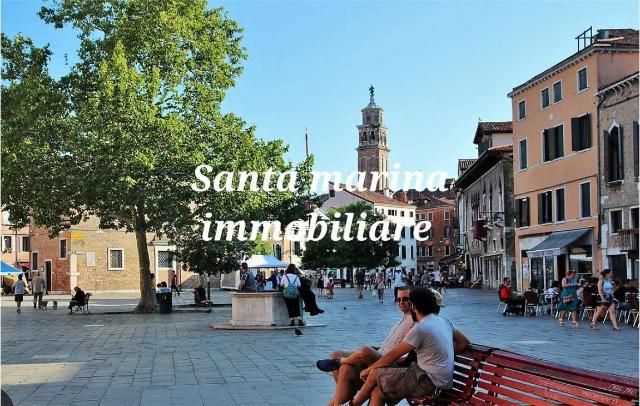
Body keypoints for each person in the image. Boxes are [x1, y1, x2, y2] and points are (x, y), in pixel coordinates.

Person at [351, 287, 470, 406]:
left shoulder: (420, 328)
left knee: (374, 374)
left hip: (429, 381)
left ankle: (353, 404)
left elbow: (393, 355)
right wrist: (442, 356)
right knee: (378, 392)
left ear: (413, 306)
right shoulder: (443, 322)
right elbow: (464, 342)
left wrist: (367, 370)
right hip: (438, 380)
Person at [316, 286, 415, 406]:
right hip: (381, 353)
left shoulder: (416, 320)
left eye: (405, 299)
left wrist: (400, 357)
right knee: (341, 363)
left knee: (364, 351)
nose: (401, 302)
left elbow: (409, 353)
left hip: (392, 362)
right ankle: (344, 395)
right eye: (398, 299)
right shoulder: (404, 317)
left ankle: (341, 364)